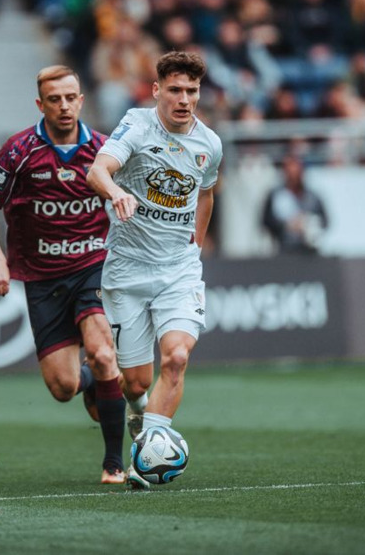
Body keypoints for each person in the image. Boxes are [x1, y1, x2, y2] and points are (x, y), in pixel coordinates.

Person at [0, 66, 126, 485]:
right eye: (54, 99)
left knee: (103, 352)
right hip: (42, 278)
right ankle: (93, 380)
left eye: (70, 98)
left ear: (81, 100)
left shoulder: (103, 149)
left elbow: (130, 197)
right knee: (63, 387)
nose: (64, 106)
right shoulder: (19, 150)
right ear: (41, 105)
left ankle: (114, 464)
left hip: (93, 266)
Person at [86, 51, 223, 489]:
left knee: (177, 357)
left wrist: (196, 244)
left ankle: (147, 456)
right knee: (135, 383)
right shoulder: (137, 125)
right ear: (156, 90)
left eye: (192, 91)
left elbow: (206, 193)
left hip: (178, 269)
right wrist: (115, 192)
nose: (184, 99)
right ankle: (140, 412)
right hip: (127, 270)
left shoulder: (210, 144)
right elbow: (98, 170)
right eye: (175, 90)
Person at [261, 154, 328, 253]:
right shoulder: (276, 196)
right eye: (290, 172)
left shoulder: (312, 197)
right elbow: (266, 221)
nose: (293, 176)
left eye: (297, 171)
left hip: (309, 251)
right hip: (284, 250)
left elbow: (325, 221)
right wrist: (287, 225)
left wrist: (308, 223)